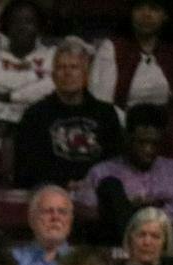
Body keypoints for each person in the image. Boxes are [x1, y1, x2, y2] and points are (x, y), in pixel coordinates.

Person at [74, 106, 173, 242]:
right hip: (120, 240)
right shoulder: (102, 171)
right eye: (141, 143)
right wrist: (124, 207)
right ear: (127, 138)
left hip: (169, 238)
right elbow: (83, 211)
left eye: (155, 144)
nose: (148, 150)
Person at [16, 39, 127, 190]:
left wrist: (91, 184)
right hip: (51, 190)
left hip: (97, 190)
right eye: (61, 67)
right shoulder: (35, 115)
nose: (67, 73)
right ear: (54, 76)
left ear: (86, 75)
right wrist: (66, 183)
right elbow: (28, 167)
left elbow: (115, 162)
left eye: (74, 67)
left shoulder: (105, 113)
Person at [0, 0, 55, 134]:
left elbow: (50, 87)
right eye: (15, 21)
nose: (21, 27)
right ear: (6, 26)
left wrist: (11, 96)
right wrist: (35, 76)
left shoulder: (51, 55)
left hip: (38, 117)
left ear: (39, 27)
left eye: (29, 21)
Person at [91, 0, 173, 112]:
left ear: (165, 16)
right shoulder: (111, 49)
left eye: (154, 9)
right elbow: (102, 102)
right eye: (139, 8)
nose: (146, 14)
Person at [11, 187, 75, 265]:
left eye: (62, 212)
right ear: (31, 219)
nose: (55, 217)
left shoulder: (83, 262)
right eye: (47, 211)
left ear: (70, 220)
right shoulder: (12, 260)